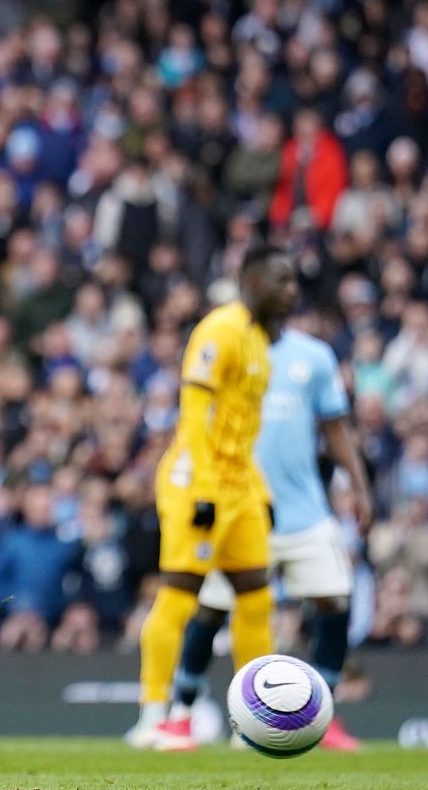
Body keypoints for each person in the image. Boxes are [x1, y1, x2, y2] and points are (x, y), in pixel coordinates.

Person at [142, 310, 375, 751]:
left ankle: (321, 714)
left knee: (335, 599)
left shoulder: (314, 356)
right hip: (240, 505)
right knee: (210, 609)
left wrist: (359, 486)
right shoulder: (230, 344)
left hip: (304, 508)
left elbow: (335, 427)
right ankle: (181, 714)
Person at [129, 244, 297, 751]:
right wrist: (203, 489)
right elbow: (194, 412)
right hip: (196, 485)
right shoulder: (220, 330)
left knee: (256, 598)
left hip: (240, 485)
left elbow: (243, 430)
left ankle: (255, 720)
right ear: (252, 282)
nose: (291, 291)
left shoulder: (260, 344)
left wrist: (259, 489)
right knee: (180, 596)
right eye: (281, 281)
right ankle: (153, 715)